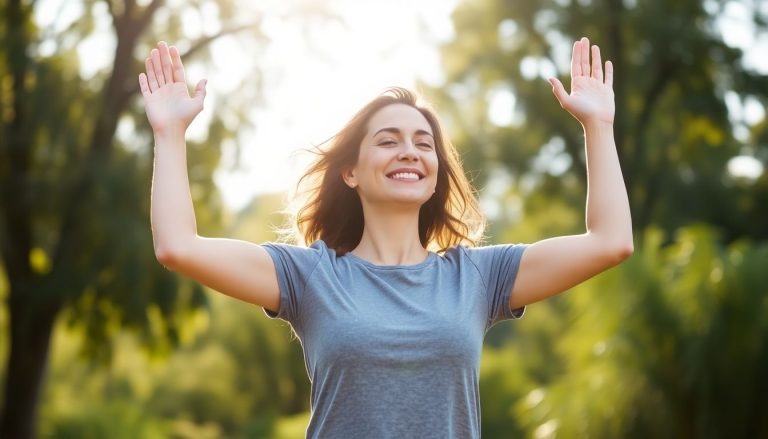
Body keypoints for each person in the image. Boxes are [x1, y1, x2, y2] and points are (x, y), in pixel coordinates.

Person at [138, 36, 633, 438]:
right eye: (388, 140)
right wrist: (169, 134)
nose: (409, 152)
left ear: (436, 172)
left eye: (424, 143)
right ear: (350, 172)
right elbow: (178, 247)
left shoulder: (479, 276)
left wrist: (598, 125)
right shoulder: (310, 276)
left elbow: (610, 242)